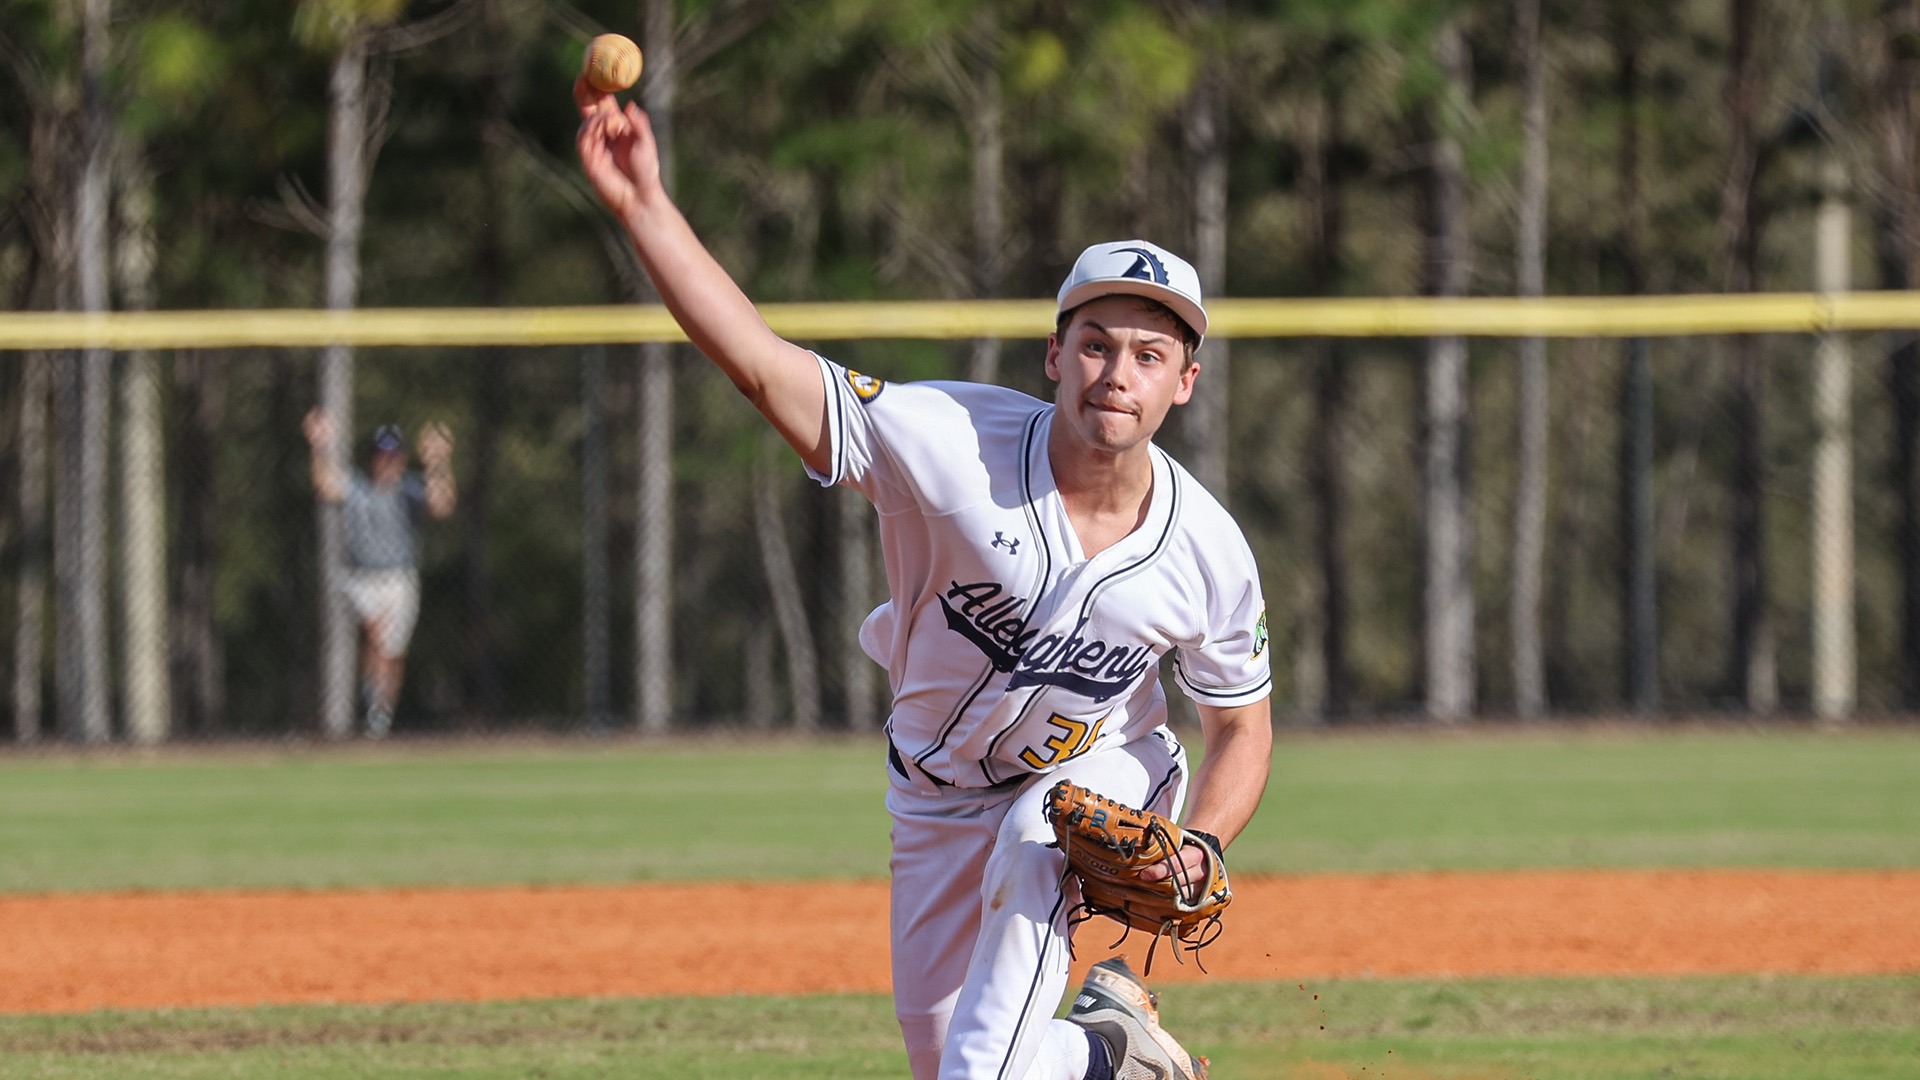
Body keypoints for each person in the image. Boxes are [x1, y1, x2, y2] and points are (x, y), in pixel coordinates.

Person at [575, 76, 1272, 1080]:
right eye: (1096, 344)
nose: (1117, 372)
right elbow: (767, 370)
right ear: (1055, 355)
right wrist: (644, 203)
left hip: (1096, 787)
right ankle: (1110, 1053)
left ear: (1184, 381)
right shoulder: (950, 445)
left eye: (1149, 354)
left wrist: (1200, 842)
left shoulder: (1206, 547)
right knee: (955, 1058)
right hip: (936, 796)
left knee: (1008, 960)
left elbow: (1242, 725)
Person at [303, 409, 457, 738]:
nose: (387, 462)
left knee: (392, 650)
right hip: (361, 577)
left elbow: (441, 504)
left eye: (393, 456)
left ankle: (381, 711)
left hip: (398, 577)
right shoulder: (359, 488)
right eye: (382, 456)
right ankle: (372, 698)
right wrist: (319, 446)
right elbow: (325, 484)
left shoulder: (407, 490)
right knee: (375, 631)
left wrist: (438, 461)